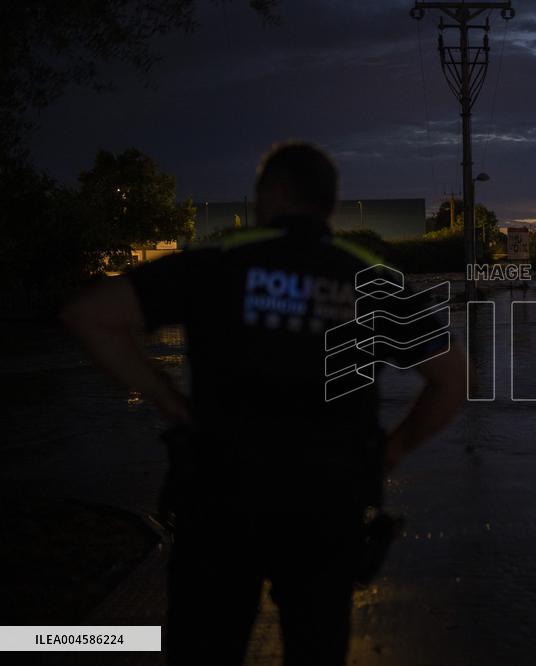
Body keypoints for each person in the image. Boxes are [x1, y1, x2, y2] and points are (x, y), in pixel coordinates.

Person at [61, 142, 466, 665]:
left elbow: (88, 315)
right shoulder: (370, 277)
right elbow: (453, 379)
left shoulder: (216, 264)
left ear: (273, 194)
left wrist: (163, 395)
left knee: (206, 648)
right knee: (316, 648)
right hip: (328, 506)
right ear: (327, 203)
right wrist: (391, 451)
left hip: (219, 501)